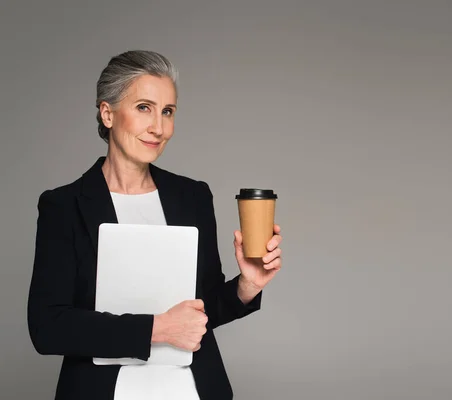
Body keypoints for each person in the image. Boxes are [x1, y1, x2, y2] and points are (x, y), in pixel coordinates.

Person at [27, 50, 283, 400]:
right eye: (144, 108)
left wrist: (246, 286)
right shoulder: (64, 206)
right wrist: (157, 328)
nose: (158, 128)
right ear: (108, 113)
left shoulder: (192, 196)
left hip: (191, 390)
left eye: (168, 112)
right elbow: (48, 327)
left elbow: (203, 310)